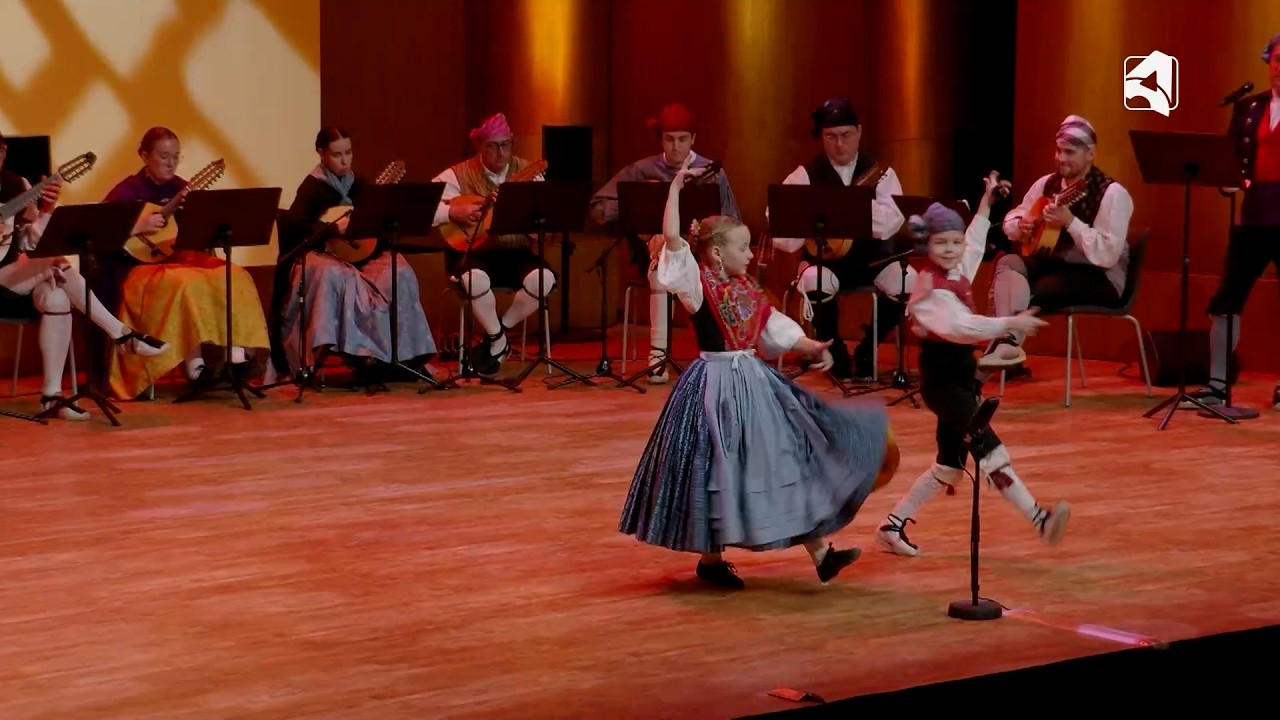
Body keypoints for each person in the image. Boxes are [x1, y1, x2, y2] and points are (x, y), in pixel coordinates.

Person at [618, 160, 900, 590]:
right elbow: (674, 240)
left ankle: (822, 553)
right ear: (716, 253)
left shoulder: (746, 289)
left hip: (753, 384)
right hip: (714, 385)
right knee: (712, 470)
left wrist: (810, 346)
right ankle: (711, 560)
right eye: (743, 247)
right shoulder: (698, 283)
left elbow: (772, 327)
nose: (750, 255)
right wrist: (674, 188)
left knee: (783, 459)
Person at [874, 175, 1070, 557]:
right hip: (942, 381)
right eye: (941, 243)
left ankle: (890, 526)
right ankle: (1038, 519)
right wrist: (1010, 323)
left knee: (948, 467)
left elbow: (977, 237)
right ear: (927, 246)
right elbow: (962, 327)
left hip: (961, 377)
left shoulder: (957, 266)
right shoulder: (930, 289)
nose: (951, 249)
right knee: (989, 449)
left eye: (954, 242)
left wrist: (985, 200)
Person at [0, 132, 167, 419]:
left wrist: (45, 210)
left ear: (3, 153)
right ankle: (120, 333)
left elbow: (35, 243)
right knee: (56, 260)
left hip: (20, 273)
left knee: (56, 297)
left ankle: (52, 397)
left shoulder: (18, 186)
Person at [97, 127, 271, 399]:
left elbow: (195, 235)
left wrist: (194, 216)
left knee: (233, 275)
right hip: (134, 268)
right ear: (144, 156)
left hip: (176, 259)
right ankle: (196, 368)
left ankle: (235, 356)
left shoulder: (181, 187)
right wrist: (137, 225)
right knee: (184, 283)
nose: (171, 163)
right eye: (164, 156)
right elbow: (99, 231)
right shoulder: (127, 190)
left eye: (176, 157)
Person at [272, 127, 447, 385]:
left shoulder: (360, 185)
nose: (344, 160)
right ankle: (358, 354)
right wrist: (332, 228)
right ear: (321, 154)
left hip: (360, 256)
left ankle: (399, 358)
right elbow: (295, 225)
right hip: (321, 254)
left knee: (399, 271)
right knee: (340, 276)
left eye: (348, 153)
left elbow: (374, 227)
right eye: (336, 154)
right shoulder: (312, 187)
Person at [590, 102, 741, 384]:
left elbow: (732, 218)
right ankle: (658, 354)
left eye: (682, 139)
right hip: (654, 250)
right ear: (661, 139)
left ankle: (711, 353)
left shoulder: (711, 171)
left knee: (677, 256)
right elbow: (600, 206)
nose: (675, 146)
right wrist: (636, 203)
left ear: (693, 139)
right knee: (663, 255)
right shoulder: (643, 170)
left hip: (702, 253)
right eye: (669, 139)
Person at [770, 97, 911, 381]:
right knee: (814, 280)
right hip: (825, 262)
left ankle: (868, 347)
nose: (839, 144)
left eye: (846, 135)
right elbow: (779, 218)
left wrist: (850, 212)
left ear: (859, 132)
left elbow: (893, 218)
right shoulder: (805, 175)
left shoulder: (880, 173)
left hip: (873, 259)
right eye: (830, 137)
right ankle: (834, 352)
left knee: (909, 283)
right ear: (822, 138)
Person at [978, 115, 1133, 370]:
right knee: (1008, 263)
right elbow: (1014, 217)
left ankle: (1005, 346)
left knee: (1043, 288)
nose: (1061, 158)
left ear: (1091, 153)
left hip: (1101, 274)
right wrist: (1022, 224)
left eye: (1070, 152)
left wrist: (1071, 222)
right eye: (1059, 150)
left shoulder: (1113, 194)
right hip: (1055, 263)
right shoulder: (1046, 184)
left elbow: (1107, 254)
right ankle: (1007, 342)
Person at [1187, 33, 1280, 410]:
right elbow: (1231, 159)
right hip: (1255, 215)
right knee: (1227, 298)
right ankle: (1216, 385)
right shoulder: (1250, 107)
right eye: (1275, 58)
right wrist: (1229, 181)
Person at [431, 113, 553, 378]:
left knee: (544, 279)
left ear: (512, 143)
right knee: (474, 279)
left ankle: (497, 337)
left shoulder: (530, 173)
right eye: (492, 146)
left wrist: (533, 225)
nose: (500, 152)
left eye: (505, 145)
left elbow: (544, 224)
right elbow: (425, 207)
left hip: (514, 253)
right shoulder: (457, 175)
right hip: (470, 251)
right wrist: (452, 214)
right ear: (480, 146)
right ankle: (499, 341)